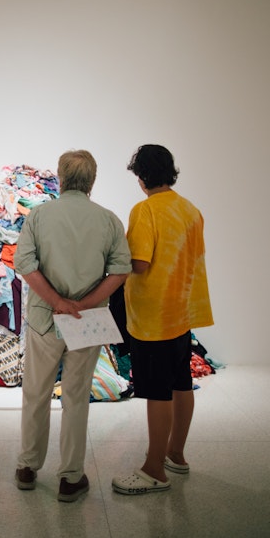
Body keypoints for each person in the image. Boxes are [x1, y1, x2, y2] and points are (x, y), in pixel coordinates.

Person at [14, 149, 131, 502]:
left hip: (44, 320)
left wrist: (58, 302)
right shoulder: (109, 220)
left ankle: (27, 467)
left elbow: (26, 265)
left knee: (35, 393)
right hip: (88, 323)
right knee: (77, 398)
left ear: (60, 178)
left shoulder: (38, 216)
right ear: (92, 181)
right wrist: (86, 303)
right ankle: (70, 477)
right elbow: (121, 270)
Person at [111, 144, 214, 495]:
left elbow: (140, 263)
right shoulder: (190, 210)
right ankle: (176, 455)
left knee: (157, 392)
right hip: (182, 313)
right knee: (181, 384)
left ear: (141, 178)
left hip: (153, 316)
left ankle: (154, 469)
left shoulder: (145, 211)